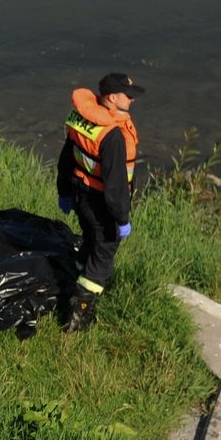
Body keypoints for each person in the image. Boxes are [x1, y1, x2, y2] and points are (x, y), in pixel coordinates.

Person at [56, 72, 144, 332]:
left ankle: (77, 273)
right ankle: (78, 316)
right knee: (104, 253)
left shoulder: (81, 118)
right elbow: (115, 185)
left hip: (79, 193)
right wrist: (122, 219)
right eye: (128, 95)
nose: (132, 100)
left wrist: (64, 192)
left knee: (91, 240)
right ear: (112, 97)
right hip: (101, 203)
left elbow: (66, 157)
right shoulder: (113, 136)